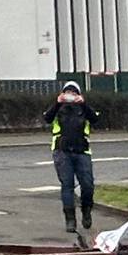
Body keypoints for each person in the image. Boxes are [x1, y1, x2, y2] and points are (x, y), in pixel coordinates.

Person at [45, 81, 99, 235]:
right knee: (67, 185)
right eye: (67, 93)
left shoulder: (83, 109)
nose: (70, 96)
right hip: (62, 152)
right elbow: (47, 118)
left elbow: (95, 119)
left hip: (82, 151)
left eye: (73, 93)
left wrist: (84, 104)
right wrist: (57, 103)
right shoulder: (58, 108)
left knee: (87, 185)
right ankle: (70, 219)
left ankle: (86, 211)